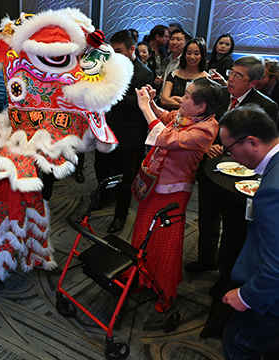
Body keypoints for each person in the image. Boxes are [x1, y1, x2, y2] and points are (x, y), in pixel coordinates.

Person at [132, 77, 222, 304]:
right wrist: (152, 104)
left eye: (188, 96)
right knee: (144, 232)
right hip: (154, 181)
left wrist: (144, 109)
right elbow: (166, 117)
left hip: (173, 190)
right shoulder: (188, 116)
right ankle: (142, 277)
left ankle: (163, 289)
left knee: (164, 239)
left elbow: (167, 139)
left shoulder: (207, 128)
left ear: (201, 106)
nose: (181, 99)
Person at [188, 56, 278, 274]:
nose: (231, 79)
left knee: (232, 227)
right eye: (231, 72)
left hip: (239, 177)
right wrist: (208, 146)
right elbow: (201, 123)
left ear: (253, 83)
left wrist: (228, 150)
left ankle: (227, 275)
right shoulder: (218, 95)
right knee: (207, 217)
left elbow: (261, 143)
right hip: (209, 167)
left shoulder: (266, 106)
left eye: (239, 75)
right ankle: (207, 260)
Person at [219, 105, 279, 359]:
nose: (231, 158)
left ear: (252, 142)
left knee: (238, 343)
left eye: (230, 149)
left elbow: (276, 264)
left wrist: (246, 296)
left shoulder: (272, 191)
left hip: (271, 300)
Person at [93, 30, 154, 233]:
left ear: (132, 49)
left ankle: (120, 214)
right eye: (112, 50)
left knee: (125, 177)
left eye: (118, 51)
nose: (114, 55)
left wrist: (110, 92)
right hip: (105, 130)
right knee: (100, 167)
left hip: (129, 134)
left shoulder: (144, 73)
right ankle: (105, 196)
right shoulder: (108, 68)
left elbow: (138, 102)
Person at [161, 37, 208, 110]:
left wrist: (178, 100)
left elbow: (206, 105)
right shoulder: (173, 75)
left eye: (196, 54)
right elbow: (164, 100)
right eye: (189, 53)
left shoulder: (207, 79)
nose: (192, 57)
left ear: (202, 55)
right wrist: (192, 105)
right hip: (173, 117)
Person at [160, 28, 192, 97]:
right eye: (172, 39)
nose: (174, 42)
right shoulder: (166, 60)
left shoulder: (188, 63)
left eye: (178, 39)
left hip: (176, 101)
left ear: (186, 43)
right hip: (161, 100)